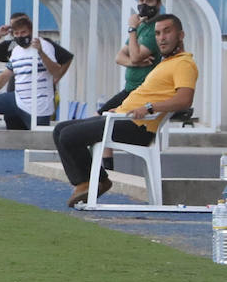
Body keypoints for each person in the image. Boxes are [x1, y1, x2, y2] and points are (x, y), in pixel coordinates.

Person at [51, 13, 196, 207]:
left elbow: (184, 100)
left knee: (68, 135)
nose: (161, 38)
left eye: (167, 32)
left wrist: (149, 107)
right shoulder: (165, 63)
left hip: (137, 127)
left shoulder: (184, 63)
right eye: (158, 33)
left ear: (181, 35)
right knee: (60, 130)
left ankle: (93, 182)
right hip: (121, 118)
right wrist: (118, 108)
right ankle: (89, 182)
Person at [0, 14, 63, 129]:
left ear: (31, 31)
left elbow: (56, 72)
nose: (20, 36)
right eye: (17, 34)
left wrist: (41, 53)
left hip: (38, 104)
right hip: (18, 99)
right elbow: (6, 74)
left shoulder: (45, 45)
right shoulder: (16, 50)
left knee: (38, 140)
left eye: (23, 33)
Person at [104, 0, 164, 112]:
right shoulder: (142, 26)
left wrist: (132, 29)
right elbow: (119, 57)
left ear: (158, 4)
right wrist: (135, 64)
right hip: (129, 88)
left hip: (141, 91)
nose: (144, 5)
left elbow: (136, 56)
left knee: (105, 118)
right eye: (141, 0)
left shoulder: (155, 29)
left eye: (149, 1)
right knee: (100, 114)